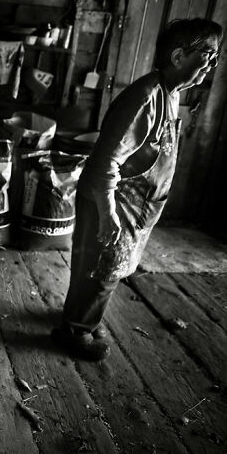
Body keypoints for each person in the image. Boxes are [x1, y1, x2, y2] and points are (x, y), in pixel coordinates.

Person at [53, 18, 222, 360]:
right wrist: (108, 213)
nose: (212, 65)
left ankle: (83, 318)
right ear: (178, 56)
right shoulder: (144, 98)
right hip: (114, 201)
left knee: (111, 269)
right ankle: (74, 330)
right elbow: (104, 165)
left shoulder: (171, 94)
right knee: (99, 269)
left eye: (216, 57)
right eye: (208, 55)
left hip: (138, 205)